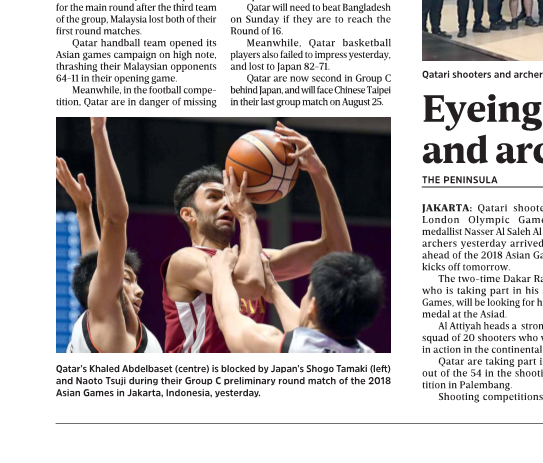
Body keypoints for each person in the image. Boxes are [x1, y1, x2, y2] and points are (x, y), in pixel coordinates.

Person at [163, 123, 351, 353]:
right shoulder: (185, 260)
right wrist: (247, 215)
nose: (227, 204)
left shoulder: (254, 260)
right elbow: (250, 284)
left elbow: (338, 254)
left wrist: (318, 173)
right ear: (188, 214)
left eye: (229, 197)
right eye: (214, 197)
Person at [64, 118, 163, 354]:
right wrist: (99, 133)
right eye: (127, 279)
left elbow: (94, 256)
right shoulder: (109, 321)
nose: (140, 290)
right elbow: (114, 220)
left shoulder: (98, 319)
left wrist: (84, 210)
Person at [211, 245, 383, 354]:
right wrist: (274, 289)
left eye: (308, 292)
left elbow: (229, 319)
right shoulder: (368, 354)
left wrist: (221, 272)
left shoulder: (272, 345)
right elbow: (308, 334)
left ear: (313, 306)